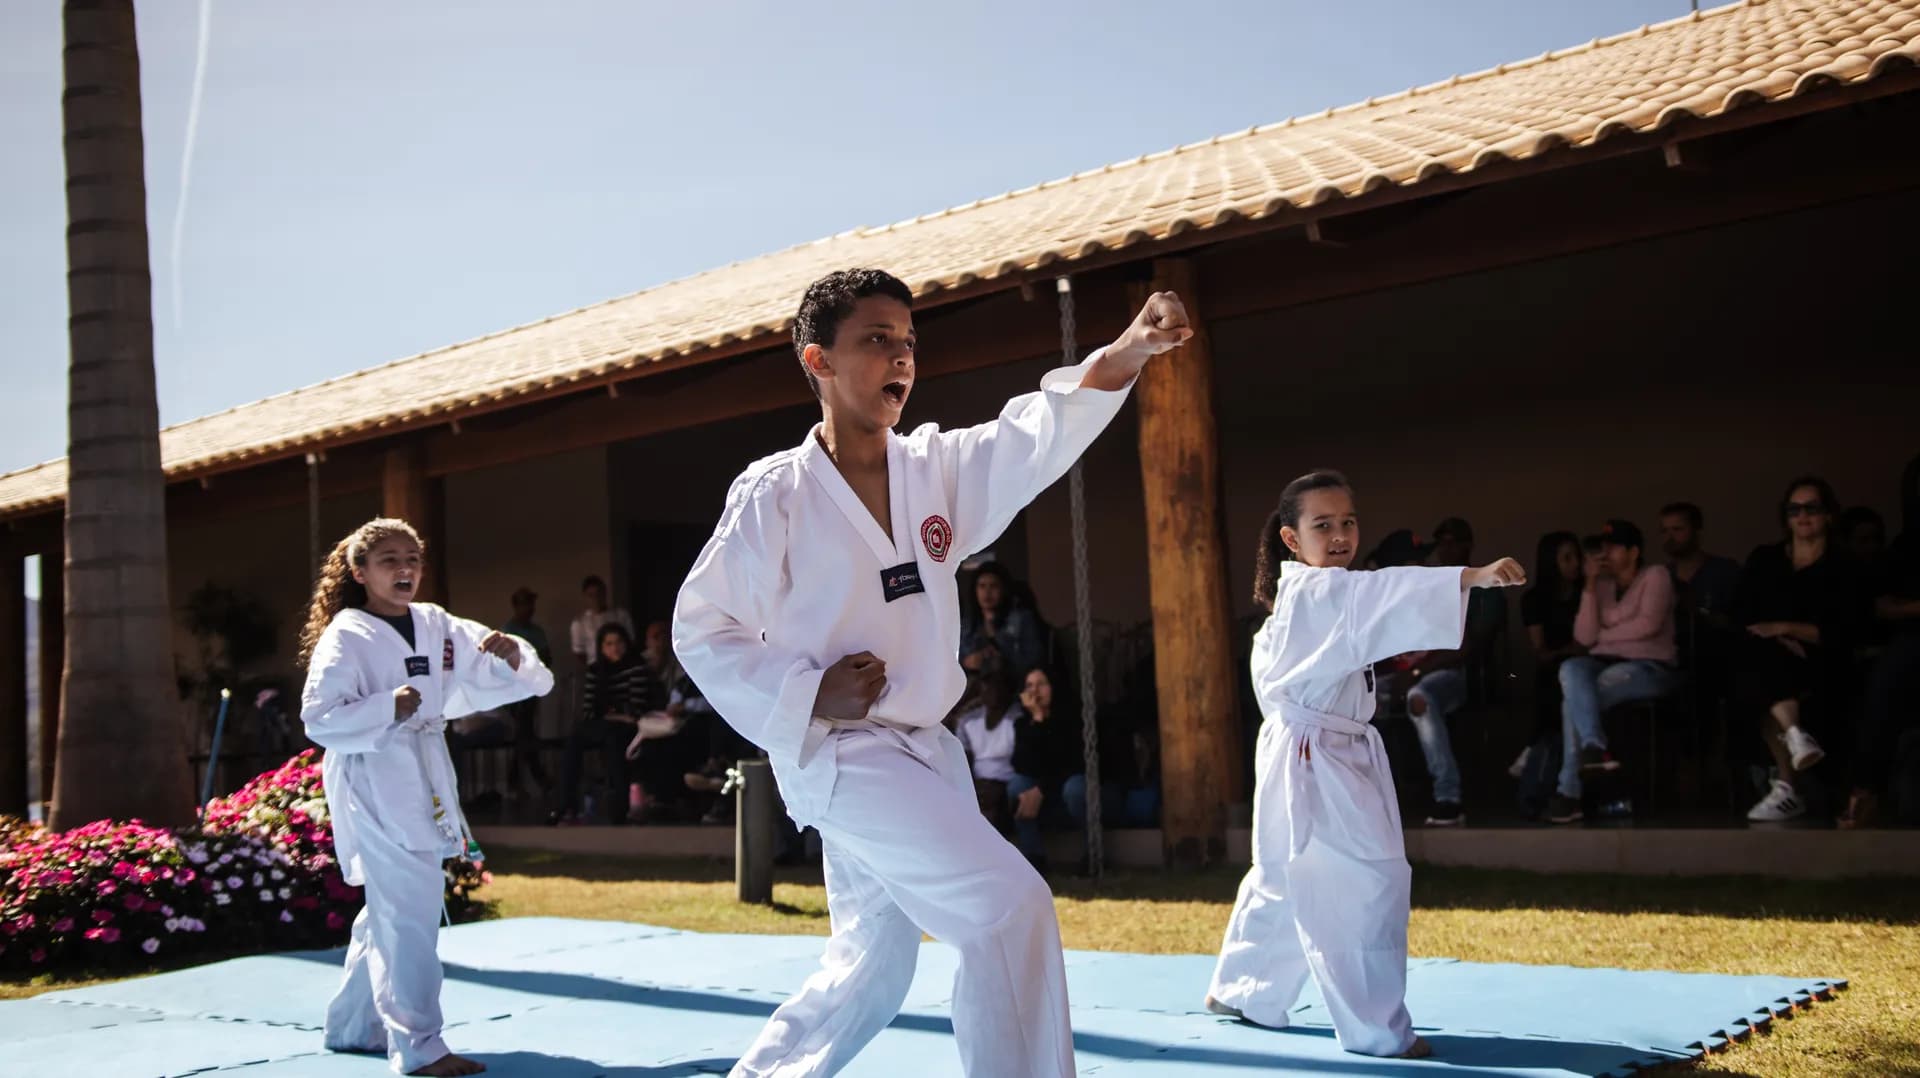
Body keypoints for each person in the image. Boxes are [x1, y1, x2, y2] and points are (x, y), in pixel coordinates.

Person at [671, 267, 1191, 1077]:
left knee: (872, 964)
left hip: (924, 750)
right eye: (877, 339)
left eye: (909, 341)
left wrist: (1129, 348)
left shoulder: (934, 470)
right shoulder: (778, 493)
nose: (902, 358)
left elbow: (1035, 432)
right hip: (840, 753)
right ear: (818, 360)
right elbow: (703, 628)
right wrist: (811, 692)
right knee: (1008, 908)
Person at [1205, 470, 1524, 1059]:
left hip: (1298, 750)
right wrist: (1470, 576)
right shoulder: (1324, 593)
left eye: (1348, 522)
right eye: (1322, 525)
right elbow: (1386, 591)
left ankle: (1244, 989)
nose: (1340, 535)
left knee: (1284, 873)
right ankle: (1378, 1030)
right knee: (1363, 883)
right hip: (1317, 757)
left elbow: (1375, 597)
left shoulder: (1303, 596)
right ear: (1291, 538)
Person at [297, 518, 552, 1077]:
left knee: (394, 906)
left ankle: (353, 1024)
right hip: (375, 779)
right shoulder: (348, 634)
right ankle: (419, 1047)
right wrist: (386, 707)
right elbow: (319, 717)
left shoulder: (435, 622)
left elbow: (501, 670)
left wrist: (512, 655)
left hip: (425, 771)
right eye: (389, 559)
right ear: (360, 572)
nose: (404, 569)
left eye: (412, 558)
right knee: (407, 909)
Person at [1733, 477, 1865, 823]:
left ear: (1829, 515)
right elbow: (1743, 611)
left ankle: (1788, 786)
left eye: (1811, 508)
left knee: (1761, 674)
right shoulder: (1765, 559)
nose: (1802, 516)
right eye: (1794, 509)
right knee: (1760, 663)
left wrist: (1788, 629)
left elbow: (1847, 628)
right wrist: (1776, 637)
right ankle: (1794, 737)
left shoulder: (1844, 565)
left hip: (1821, 657)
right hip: (1767, 652)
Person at [1546, 520, 1679, 824]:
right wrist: (1590, 585)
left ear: (1633, 552)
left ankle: (1570, 792)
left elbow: (1648, 626)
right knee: (1570, 668)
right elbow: (1584, 638)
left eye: (1614, 547)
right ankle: (1593, 747)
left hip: (1650, 667)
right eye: (1602, 547)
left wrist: (1603, 637)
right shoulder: (1602, 585)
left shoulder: (1655, 575)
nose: (1605, 553)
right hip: (1603, 664)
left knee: (1574, 701)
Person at [1402, 517, 1509, 826]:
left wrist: (1417, 673)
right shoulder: (1432, 586)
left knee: (1419, 697)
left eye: (1452, 542)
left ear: (1468, 545)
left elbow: (1469, 648)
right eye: (1441, 544)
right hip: (1415, 668)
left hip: (1462, 675)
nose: (1445, 550)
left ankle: (1447, 797)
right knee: (1363, 695)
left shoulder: (1487, 588)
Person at [1846, 454, 1920, 827]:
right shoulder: (1908, 546)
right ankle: (1866, 791)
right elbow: (1883, 606)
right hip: (1912, 640)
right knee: (1886, 680)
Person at [552, 623, 662, 825]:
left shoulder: (636, 668)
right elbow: (589, 711)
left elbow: (634, 711)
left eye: (619, 642)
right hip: (602, 725)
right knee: (574, 739)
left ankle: (620, 809)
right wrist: (616, 712)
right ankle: (566, 806)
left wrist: (610, 712)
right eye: (609, 644)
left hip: (626, 728)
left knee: (614, 740)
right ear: (601, 648)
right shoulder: (596, 670)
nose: (615, 648)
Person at [1511, 532, 1586, 796]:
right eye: (1567, 558)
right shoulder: (1534, 599)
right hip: (1555, 666)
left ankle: (1534, 747)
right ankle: (1540, 751)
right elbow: (1540, 651)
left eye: (1577, 556)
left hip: (1587, 664)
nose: (1575, 563)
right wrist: (1569, 650)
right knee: (1554, 681)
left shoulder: (1587, 593)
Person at [1006, 666, 1088, 872]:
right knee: (1017, 786)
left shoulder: (1071, 719)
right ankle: (1034, 856)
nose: (1035, 691)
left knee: (1075, 788)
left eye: (1041, 684)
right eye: (1029, 686)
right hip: (1042, 789)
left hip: (1066, 786)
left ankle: (1091, 852)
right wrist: (1037, 719)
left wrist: (1041, 789)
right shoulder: (1023, 724)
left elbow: (1069, 762)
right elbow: (1023, 764)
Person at [499, 587, 553, 798]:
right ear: (516, 606)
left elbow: (546, 658)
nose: (529, 609)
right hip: (512, 692)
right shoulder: (508, 630)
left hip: (531, 689)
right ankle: (535, 778)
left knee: (524, 734)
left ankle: (522, 782)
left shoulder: (537, 631)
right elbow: (501, 663)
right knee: (523, 733)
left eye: (531, 604)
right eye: (525, 604)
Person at [954, 667, 1022, 828]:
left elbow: (1023, 762)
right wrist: (971, 785)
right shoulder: (968, 721)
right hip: (979, 782)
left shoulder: (1018, 719)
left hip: (1008, 782)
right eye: (987, 689)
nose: (992, 694)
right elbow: (962, 759)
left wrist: (997, 786)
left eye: (997, 688)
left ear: (1008, 691)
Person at [959, 561, 1047, 675]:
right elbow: (956, 658)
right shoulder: (967, 623)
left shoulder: (1021, 619)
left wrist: (1003, 658)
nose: (987, 592)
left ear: (1003, 589)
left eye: (993, 586)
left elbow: (1034, 660)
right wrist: (967, 662)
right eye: (982, 586)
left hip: (1014, 681)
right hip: (975, 682)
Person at [568, 575, 635, 669]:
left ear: (605, 593)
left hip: (623, 665)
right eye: (591, 595)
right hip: (596, 667)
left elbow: (631, 641)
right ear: (585, 596)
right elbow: (579, 652)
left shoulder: (621, 615)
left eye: (599, 593)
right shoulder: (579, 623)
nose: (596, 598)